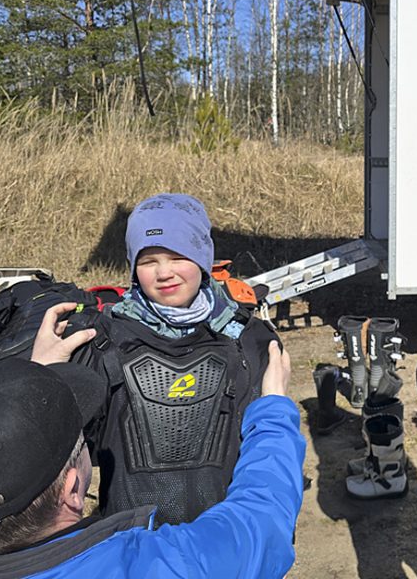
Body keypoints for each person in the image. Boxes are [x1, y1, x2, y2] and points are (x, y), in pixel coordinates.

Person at [0, 308, 304, 577]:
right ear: (71, 490)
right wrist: (272, 411)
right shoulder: (159, 567)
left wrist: (31, 385)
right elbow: (262, 520)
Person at [73, 193, 278, 524]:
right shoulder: (103, 340)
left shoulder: (247, 339)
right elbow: (71, 447)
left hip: (222, 535)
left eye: (177, 256)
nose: (164, 273)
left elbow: (269, 445)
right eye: (148, 261)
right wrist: (47, 375)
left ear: (201, 256)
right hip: (133, 544)